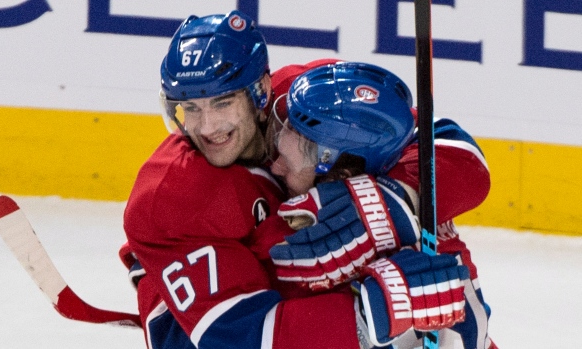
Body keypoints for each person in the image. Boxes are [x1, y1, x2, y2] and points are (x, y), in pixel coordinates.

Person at [121, 10, 468, 349]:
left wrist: (395, 199)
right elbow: (242, 338)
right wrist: (367, 316)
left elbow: (454, 149)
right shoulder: (173, 194)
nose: (206, 127)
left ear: (260, 92)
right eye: (191, 108)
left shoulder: (308, 99)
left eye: (222, 102)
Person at [267, 61, 497, 348]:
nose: (274, 168)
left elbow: (445, 141)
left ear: (341, 176)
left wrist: (394, 199)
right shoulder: (309, 99)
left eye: (289, 163)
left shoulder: (420, 247)